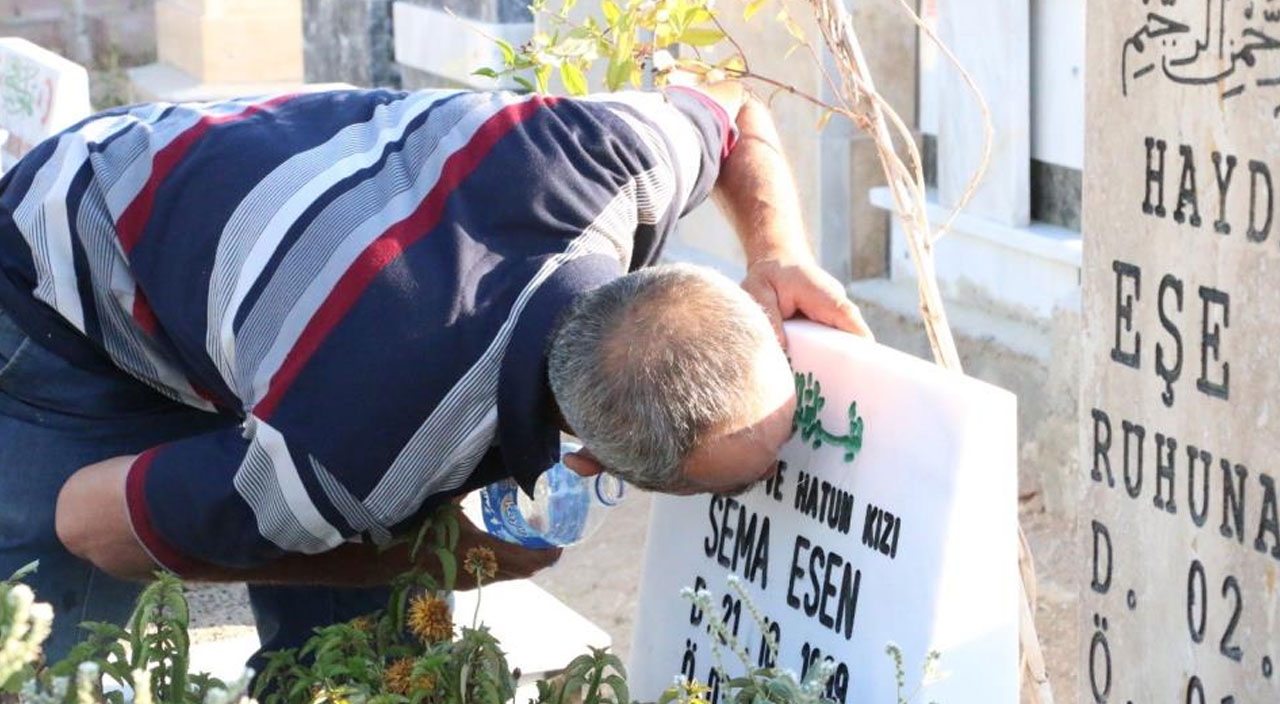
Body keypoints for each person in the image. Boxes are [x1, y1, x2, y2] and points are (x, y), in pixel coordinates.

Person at [0, 80, 871, 661]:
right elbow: (91, 520)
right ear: (595, 465)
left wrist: (778, 251)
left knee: (359, 633)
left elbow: (732, 118)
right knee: (54, 649)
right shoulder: (360, 452)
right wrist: (430, 559)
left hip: (233, 219)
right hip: (63, 281)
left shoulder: (611, 159)